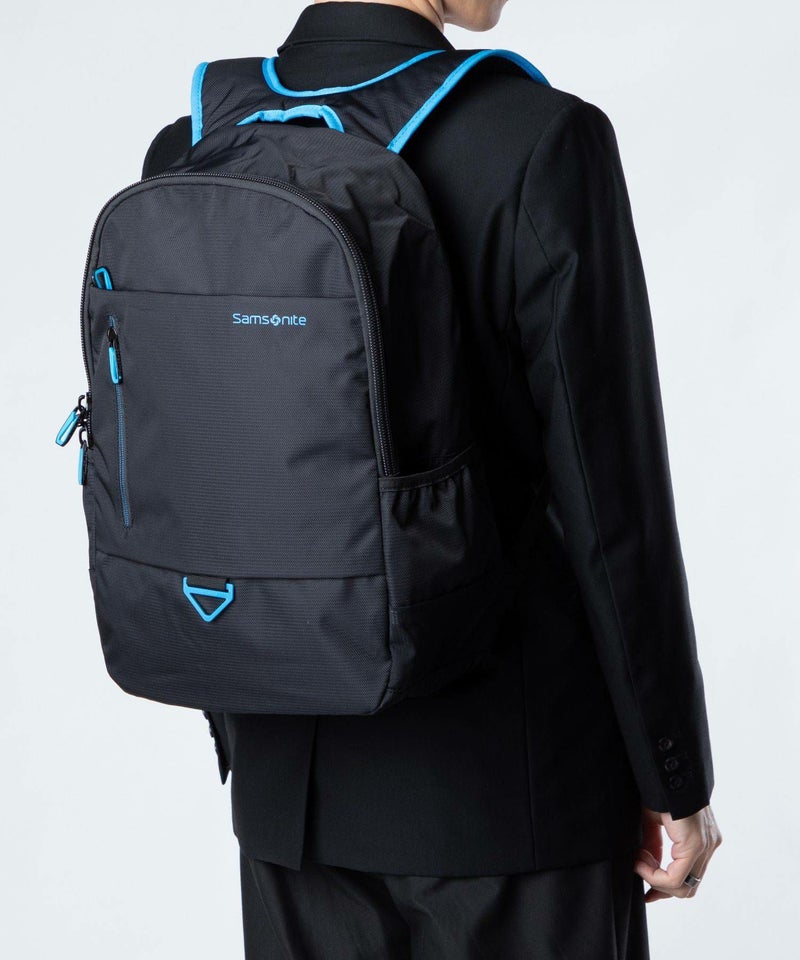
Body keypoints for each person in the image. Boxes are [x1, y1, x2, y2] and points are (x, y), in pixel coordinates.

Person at [143, 2, 722, 956]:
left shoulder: (197, 142)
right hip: (515, 799)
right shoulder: (539, 140)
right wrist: (675, 778)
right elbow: (610, 497)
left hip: (292, 807)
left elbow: (198, 474)